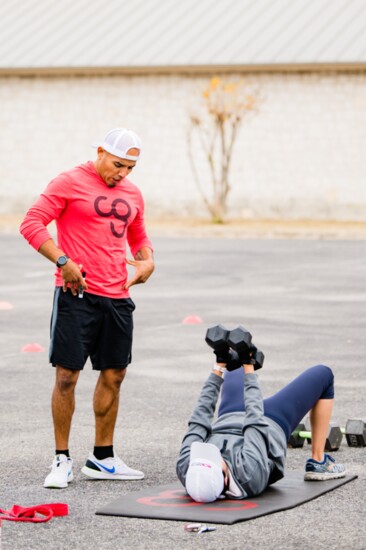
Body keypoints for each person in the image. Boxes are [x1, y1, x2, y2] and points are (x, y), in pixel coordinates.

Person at [20, 128, 154, 489]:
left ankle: (103, 458)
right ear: (99, 152)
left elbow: (138, 236)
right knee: (67, 376)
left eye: (130, 167)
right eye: (117, 164)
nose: (123, 173)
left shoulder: (132, 193)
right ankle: (61, 459)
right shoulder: (69, 182)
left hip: (117, 296)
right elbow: (31, 223)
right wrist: (63, 260)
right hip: (76, 293)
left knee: (114, 375)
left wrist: (147, 262)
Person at [176, 326, 346, 503]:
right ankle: (319, 462)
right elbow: (255, 420)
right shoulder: (249, 474)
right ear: (225, 479)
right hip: (271, 421)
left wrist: (218, 366)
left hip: (229, 415)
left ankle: (233, 358)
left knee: (233, 366)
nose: (210, 454)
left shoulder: (186, 468)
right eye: (213, 458)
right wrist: (249, 367)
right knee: (323, 373)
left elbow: (199, 418)